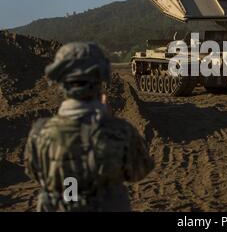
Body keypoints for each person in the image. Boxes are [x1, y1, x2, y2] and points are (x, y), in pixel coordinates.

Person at [25, 42, 153, 212]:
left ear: (61, 81)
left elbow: (35, 172)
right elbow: (139, 171)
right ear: (100, 79)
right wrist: (108, 120)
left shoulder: (40, 133)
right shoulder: (121, 131)